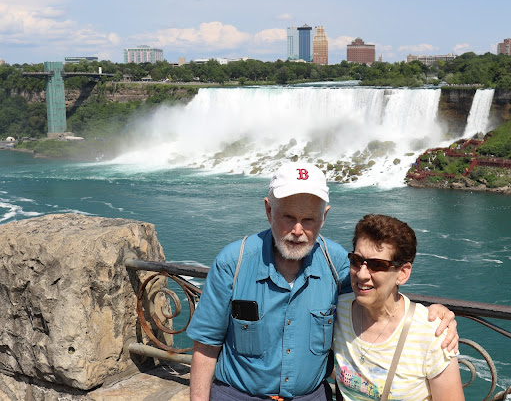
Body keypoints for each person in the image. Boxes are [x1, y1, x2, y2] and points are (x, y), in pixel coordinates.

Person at [187, 162, 459, 400]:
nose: (298, 231)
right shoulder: (234, 262)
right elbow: (206, 344)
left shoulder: (339, 263)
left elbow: (374, 296)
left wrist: (434, 313)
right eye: (288, 217)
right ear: (269, 211)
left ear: (324, 217)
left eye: (309, 220)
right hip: (238, 396)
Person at [333, 214, 465, 401]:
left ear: (402, 274)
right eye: (356, 260)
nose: (362, 274)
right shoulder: (336, 312)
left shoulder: (431, 334)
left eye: (376, 265)